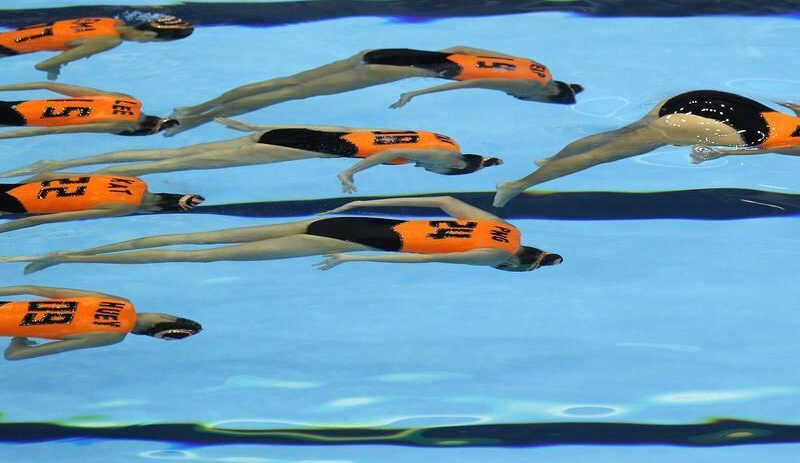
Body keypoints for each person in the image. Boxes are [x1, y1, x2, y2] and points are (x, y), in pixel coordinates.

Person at [2, 196, 563, 275]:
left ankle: (69, 244)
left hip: (349, 221)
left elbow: (439, 202)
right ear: (515, 263)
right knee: (201, 257)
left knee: (195, 239)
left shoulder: (502, 227)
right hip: (350, 242)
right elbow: (419, 263)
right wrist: (350, 261)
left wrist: (356, 203)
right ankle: (65, 254)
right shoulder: (492, 253)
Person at [0, 118, 502, 193]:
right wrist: (350, 171)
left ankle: (56, 167)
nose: (435, 170)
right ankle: (49, 171)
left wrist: (257, 125)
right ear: (453, 163)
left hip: (294, 134)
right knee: (177, 165)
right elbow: (356, 148)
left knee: (178, 156)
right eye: (443, 170)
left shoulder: (427, 142)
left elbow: (346, 126)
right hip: (298, 146)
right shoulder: (434, 149)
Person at [167, 46, 583, 134]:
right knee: (293, 94)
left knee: (289, 81)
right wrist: (413, 91)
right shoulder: (532, 83)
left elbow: (461, 51)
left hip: (389, 52)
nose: (519, 97)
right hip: (399, 68)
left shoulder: (535, 65)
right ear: (548, 93)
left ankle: (197, 107)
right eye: (526, 100)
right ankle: (197, 118)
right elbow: (467, 83)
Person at [494, 90, 800, 206]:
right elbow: (765, 148)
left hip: (708, 101)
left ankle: (552, 158)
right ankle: (516, 185)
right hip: (715, 125)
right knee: (601, 156)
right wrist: (718, 152)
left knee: (621, 133)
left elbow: (792, 108)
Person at [0, 284, 201, 360]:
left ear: (164, 317)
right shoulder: (111, 336)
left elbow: (29, 288)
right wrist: (19, 338)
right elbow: (15, 355)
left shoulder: (119, 303)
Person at [0, 16, 193, 79]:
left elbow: (64, 36)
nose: (146, 43)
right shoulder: (109, 40)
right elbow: (42, 66)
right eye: (151, 42)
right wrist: (54, 66)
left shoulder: (109, 22)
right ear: (149, 35)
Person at [0, 174, 203, 233]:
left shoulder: (133, 180)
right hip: (17, 203)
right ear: (156, 209)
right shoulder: (124, 207)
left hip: (13, 189)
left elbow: (47, 175)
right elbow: (42, 220)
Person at [0, 81, 178, 138]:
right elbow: (55, 129)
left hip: (15, 105)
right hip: (15, 117)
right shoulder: (118, 125)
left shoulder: (125, 99)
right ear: (132, 131)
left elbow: (47, 85)